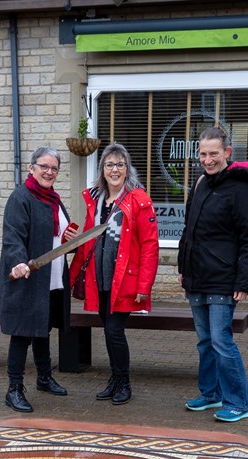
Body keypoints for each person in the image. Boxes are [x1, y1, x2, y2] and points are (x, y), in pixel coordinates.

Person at [177, 126, 248, 423]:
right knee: (204, 341)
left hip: (224, 279)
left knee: (221, 341)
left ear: (227, 153)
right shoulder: (201, 183)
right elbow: (188, 229)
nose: (207, 159)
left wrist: (244, 281)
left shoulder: (240, 189)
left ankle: (240, 403)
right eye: (203, 154)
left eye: (213, 153)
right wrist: (182, 268)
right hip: (197, 277)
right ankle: (211, 393)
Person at [68, 143, 159, 405]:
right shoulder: (96, 199)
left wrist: (145, 285)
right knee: (108, 331)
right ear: (102, 169)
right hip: (100, 280)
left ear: (127, 168)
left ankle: (124, 382)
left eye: (120, 164)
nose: (115, 169)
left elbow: (150, 246)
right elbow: (88, 242)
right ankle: (115, 379)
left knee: (115, 332)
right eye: (110, 164)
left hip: (125, 281)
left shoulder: (139, 199)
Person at [0, 146, 77, 413]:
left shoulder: (53, 198)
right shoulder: (22, 197)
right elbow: (13, 236)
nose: (49, 172)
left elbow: (61, 235)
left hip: (52, 277)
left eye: (54, 168)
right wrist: (19, 261)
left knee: (43, 328)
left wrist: (71, 240)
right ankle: (14, 390)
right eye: (44, 166)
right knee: (23, 333)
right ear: (32, 168)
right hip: (28, 277)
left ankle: (44, 377)